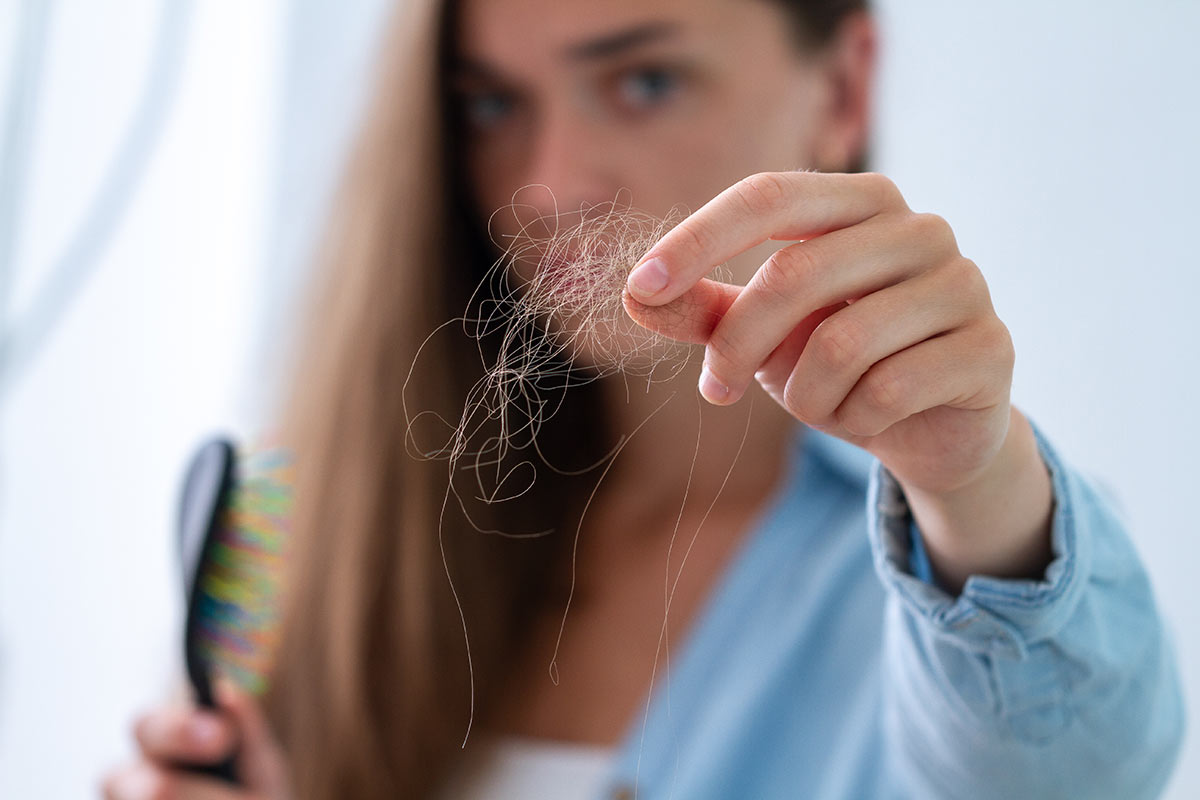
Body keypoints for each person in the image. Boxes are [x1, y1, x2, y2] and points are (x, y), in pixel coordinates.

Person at [100, 0, 1186, 798]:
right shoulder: (324, 533)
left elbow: (1087, 761)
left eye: (645, 80)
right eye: (491, 102)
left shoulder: (945, 570)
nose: (553, 183)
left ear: (843, 88)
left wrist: (974, 479)